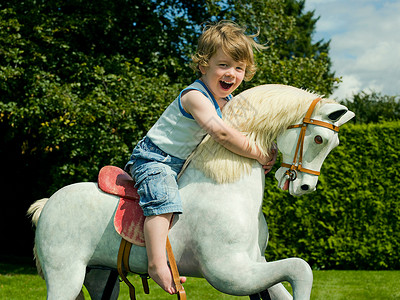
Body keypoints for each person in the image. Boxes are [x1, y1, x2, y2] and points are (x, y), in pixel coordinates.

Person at [125, 20, 277, 294]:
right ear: (203, 65)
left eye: (239, 68)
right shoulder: (195, 96)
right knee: (164, 202)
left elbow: (242, 135)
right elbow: (223, 135)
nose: (232, 73)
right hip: (154, 160)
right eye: (224, 65)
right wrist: (258, 152)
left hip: (182, 165)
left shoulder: (230, 103)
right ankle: (157, 263)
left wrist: (263, 154)